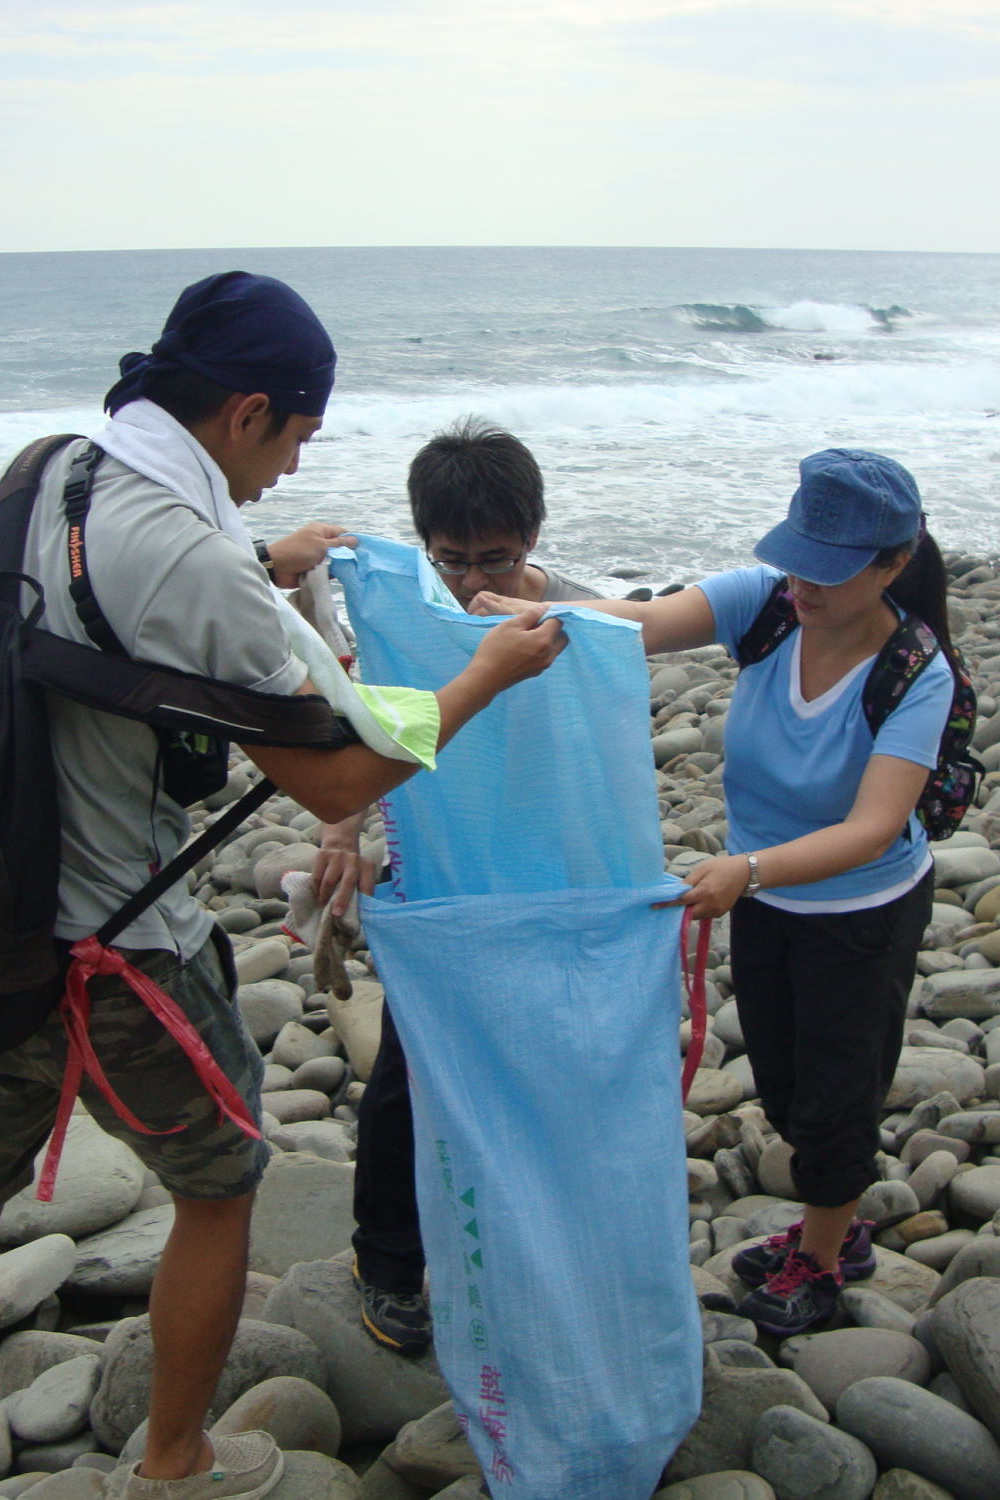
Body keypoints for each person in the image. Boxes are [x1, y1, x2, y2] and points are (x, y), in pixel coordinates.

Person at [0, 275, 567, 1500]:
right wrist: (487, 672)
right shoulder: (193, 559)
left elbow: (104, 598)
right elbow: (334, 780)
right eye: (292, 438)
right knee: (221, 1193)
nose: (288, 467)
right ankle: (172, 1460)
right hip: (120, 958)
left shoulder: (41, 470)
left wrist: (261, 560)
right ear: (244, 411)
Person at [473, 447, 958, 1341]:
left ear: (893, 562)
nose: (804, 582)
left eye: (830, 567)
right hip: (765, 896)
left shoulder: (916, 672)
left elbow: (874, 827)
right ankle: (831, 1218)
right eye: (797, 555)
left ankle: (824, 1251)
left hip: (860, 911)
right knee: (778, 1072)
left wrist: (752, 870)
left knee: (837, 1091)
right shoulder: (767, 606)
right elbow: (640, 624)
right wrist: (533, 612)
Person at [307, 419, 602, 1356]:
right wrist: (341, 829)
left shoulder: (582, 618)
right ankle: (386, 1259)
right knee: (411, 1069)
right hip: (439, 877)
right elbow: (359, 717)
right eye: (452, 558)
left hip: (547, 880)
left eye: (499, 558)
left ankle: (525, 1250)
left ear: (536, 536)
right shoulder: (408, 616)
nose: (475, 582)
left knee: (544, 1069)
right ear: (423, 543)